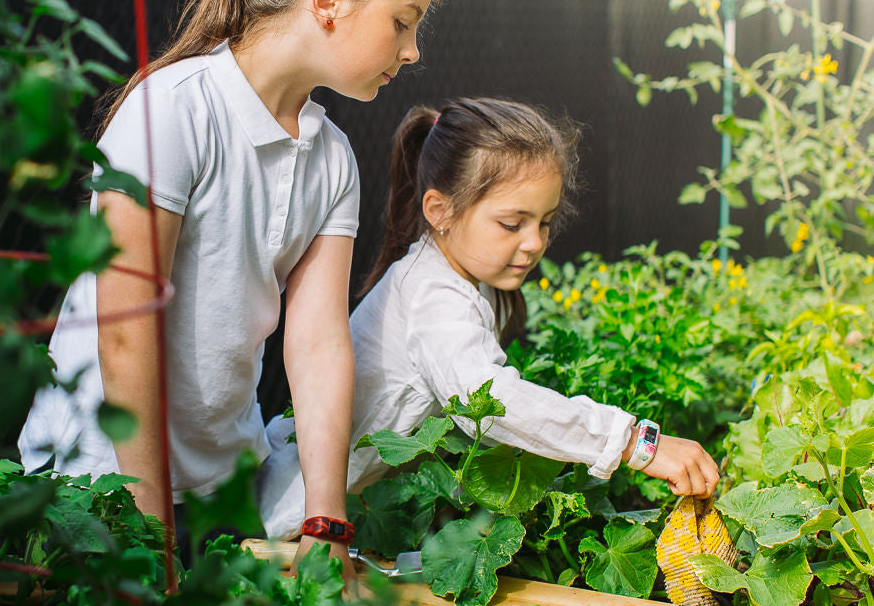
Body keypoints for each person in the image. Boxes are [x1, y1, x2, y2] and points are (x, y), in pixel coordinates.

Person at [18, 0, 459, 606]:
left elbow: (317, 346)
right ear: (329, 1)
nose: (413, 50)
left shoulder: (332, 157)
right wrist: (151, 543)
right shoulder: (172, 110)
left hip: (221, 495)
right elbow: (125, 332)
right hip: (98, 491)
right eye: (403, 21)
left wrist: (326, 528)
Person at [259, 97, 721, 543]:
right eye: (512, 224)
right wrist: (635, 443)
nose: (535, 243)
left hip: (344, 517)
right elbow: (493, 402)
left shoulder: (463, 276)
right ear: (440, 211)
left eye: (544, 222)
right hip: (290, 526)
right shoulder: (433, 295)